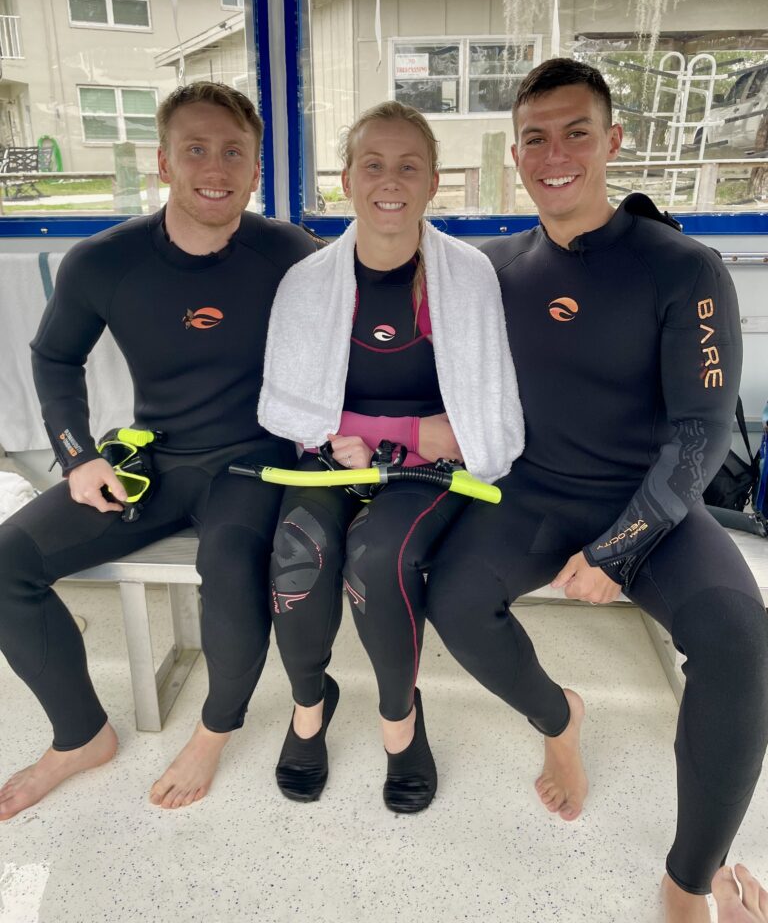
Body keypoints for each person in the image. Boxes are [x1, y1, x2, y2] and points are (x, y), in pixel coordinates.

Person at [425, 59, 768, 922]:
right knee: (455, 598)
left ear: (613, 141)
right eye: (535, 137)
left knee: (742, 643)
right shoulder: (493, 267)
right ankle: (559, 720)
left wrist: (621, 550)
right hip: (534, 492)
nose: (556, 153)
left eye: (577, 131)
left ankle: (693, 877)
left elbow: (701, 430)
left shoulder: (683, 269)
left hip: (654, 500)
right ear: (515, 155)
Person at [0, 81, 317, 819]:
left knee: (231, 568)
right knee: (8, 560)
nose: (216, 165)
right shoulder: (105, 261)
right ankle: (80, 735)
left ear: (256, 168)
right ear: (165, 162)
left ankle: (213, 732)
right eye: (197, 148)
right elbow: (53, 360)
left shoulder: (292, 254)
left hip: (252, 460)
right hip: (156, 458)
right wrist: (80, 457)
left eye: (234, 151)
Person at [257, 100, 523, 811]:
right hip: (329, 458)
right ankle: (308, 709)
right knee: (299, 553)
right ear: (346, 178)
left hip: (423, 471)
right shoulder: (308, 283)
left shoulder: (466, 279)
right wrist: (347, 431)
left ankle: (400, 724)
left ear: (434, 181)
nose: (390, 180)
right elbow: (284, 406)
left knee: (380, 558)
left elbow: (490, 420)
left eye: (409, 165)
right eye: (373, 164)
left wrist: (389, 436)